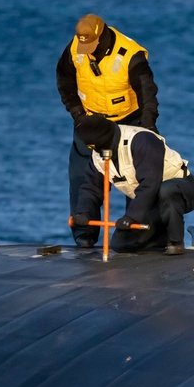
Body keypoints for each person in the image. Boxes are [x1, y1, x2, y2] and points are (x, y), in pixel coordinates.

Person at [56, 14, 160, 248]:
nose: (87, 50)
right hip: (90, 121)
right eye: (84, 44)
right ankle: (84, 232)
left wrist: (147, 128)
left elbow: (148, 94)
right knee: (81, 176)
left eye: (92, 45)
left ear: (102, 35)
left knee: (139, 179)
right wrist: (78, 116)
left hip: (128, 121)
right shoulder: (75, 47)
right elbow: (64, 80)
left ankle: (134, 236)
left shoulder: (130, 54)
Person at [70, 115, 194, 256]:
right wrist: (84, 212)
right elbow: (91, 189)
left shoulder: (141, 140)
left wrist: (131, 217)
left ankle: (176, 242)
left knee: (166, 191)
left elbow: (149, 184)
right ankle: (158, 233)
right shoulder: (98, 155)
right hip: (151, 200)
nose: (94, 151)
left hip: (183, 188)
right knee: (120, 244)